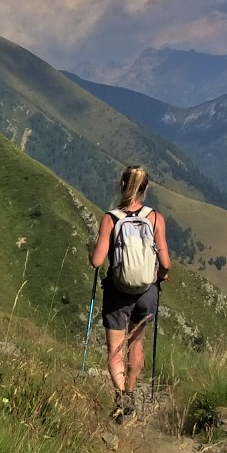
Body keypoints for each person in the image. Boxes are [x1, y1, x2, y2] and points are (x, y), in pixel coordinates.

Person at [89, 165, 171, 421]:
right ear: (145, 189)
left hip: (118, 292)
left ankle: (121, 397)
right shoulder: (155, 218)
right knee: (136, 344)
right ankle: (132, 394)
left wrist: (91, 250)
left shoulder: (110, 218)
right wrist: (161, 275)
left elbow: (97, 261)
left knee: (115, 348)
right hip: (146, 293)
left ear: (122, 185)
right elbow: (166, 263)